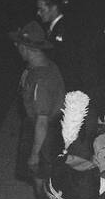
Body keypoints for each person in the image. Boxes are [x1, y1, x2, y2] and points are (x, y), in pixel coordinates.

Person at [8, 22, 66, 185]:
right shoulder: (45, 65)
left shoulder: (41, 82)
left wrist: (34, 154)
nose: (16, 46)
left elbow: (42, 122)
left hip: (43, 135)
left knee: (40, 177)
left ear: (26, 48)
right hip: (49, 128)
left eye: (18, 44)